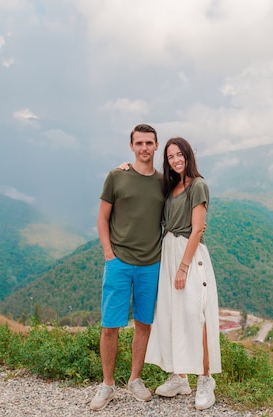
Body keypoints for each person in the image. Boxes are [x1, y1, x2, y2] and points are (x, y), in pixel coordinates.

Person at [90, 123, 165, 411]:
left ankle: (135, 379)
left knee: (143, 324)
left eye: (149, 143)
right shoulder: (115, 177)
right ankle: (107, 385)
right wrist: (109, 253)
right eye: (139, 143)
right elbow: (102, 218)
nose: (144, 148)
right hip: (119, 262)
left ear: (156, 146)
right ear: (131, 147)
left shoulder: (163, 182)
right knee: (110, 326)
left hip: (151, 263)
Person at [145, 137, 222, 410]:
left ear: (188, 155)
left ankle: (205, 378)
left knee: (195, 314)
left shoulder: (198, 186)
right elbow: (144, 178)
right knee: (170, 313)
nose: (175, 160)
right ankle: (179, 376)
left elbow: (198, 229)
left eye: (179, 154)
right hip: (168, 250)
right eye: (170, 156)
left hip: (188, 254)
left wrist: (183, 266)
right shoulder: (172, 186)